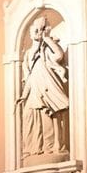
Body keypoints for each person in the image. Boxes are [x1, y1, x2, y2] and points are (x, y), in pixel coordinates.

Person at [17, 15, 69, 164]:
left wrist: (47, 39)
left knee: (48, 118)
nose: (37, 32)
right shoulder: (28, 54)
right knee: (30, 117)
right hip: (33, 90)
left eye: (40, 29)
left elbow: (59, 55)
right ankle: (34, 149)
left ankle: (50, 148)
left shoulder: (47, 49)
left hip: (47, 89)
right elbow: (28, 77)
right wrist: (23, 95)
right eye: (35, 30)